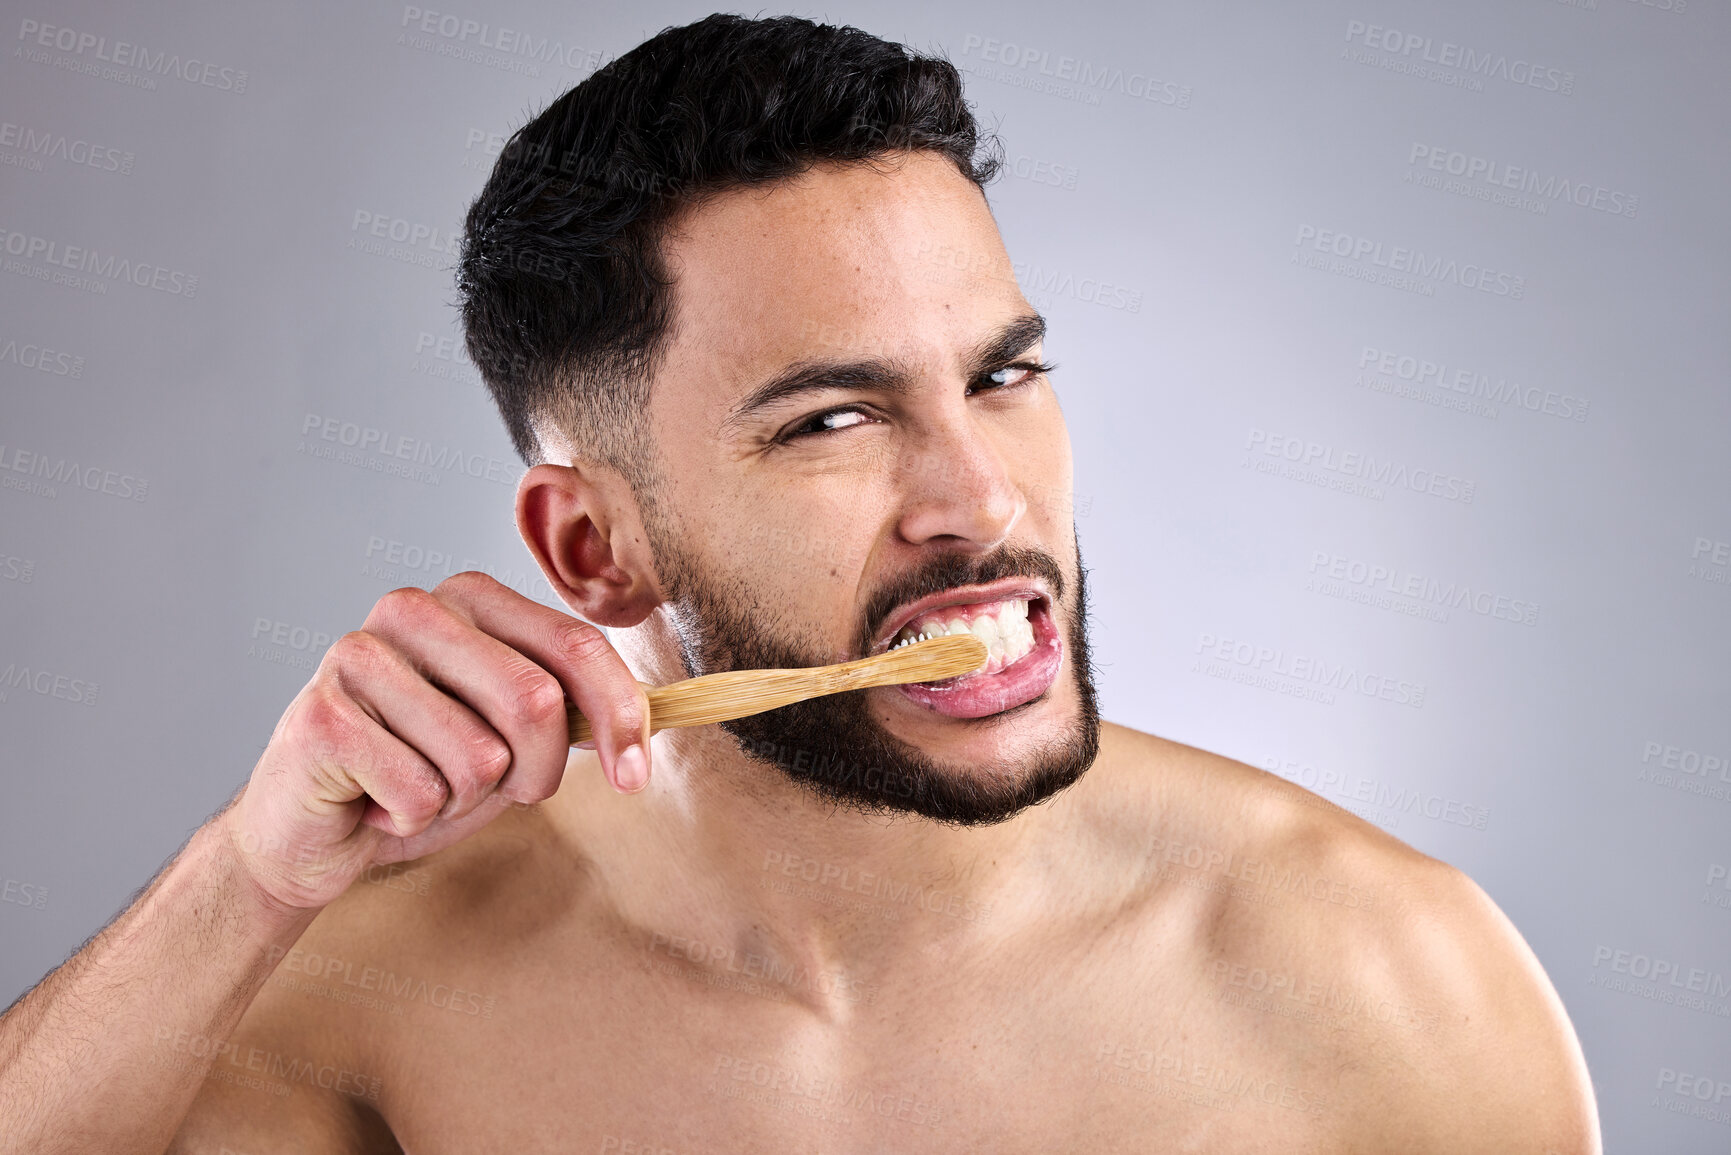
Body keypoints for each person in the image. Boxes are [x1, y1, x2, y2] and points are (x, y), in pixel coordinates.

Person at [0, 14, 1599, 1153]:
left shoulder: (1387, 978)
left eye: (1003, 376)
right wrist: (248, 884)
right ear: (588, 550)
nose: (979, 500)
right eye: (834, 419)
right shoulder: (365, 1002)